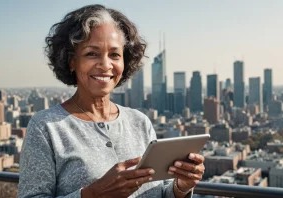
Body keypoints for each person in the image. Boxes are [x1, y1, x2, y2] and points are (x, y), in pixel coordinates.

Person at [18, 4, 205, 198]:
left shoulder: (139, 122)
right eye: (92, 53)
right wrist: (93, 194)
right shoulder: (45, 127)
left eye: (115, 54)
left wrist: (181, 186)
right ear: (72, 61)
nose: (105, 65)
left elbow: (161, 193)